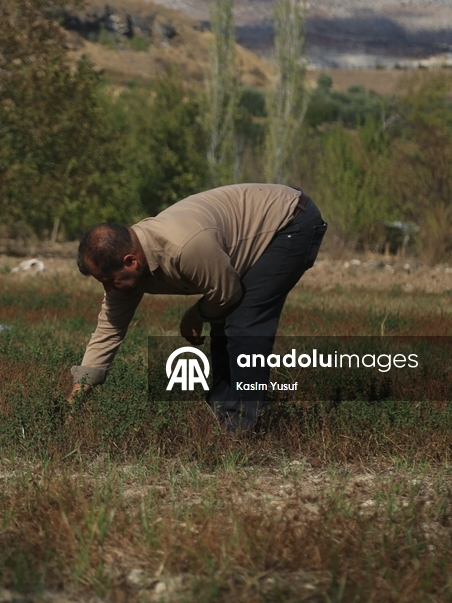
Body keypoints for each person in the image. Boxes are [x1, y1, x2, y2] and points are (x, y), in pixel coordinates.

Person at [68, 183, 327, 432]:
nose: (108, 289)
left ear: (130, 261)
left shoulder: (185, 247)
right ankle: (222, 416)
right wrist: (74, 403)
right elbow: (108, 331)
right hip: (240, 237)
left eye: (108, 281)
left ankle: (243, 427)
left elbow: (227, 292)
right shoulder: (128, 267)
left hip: (290, 220)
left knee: (244, 320)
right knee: (225, 317)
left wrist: (197, 313)